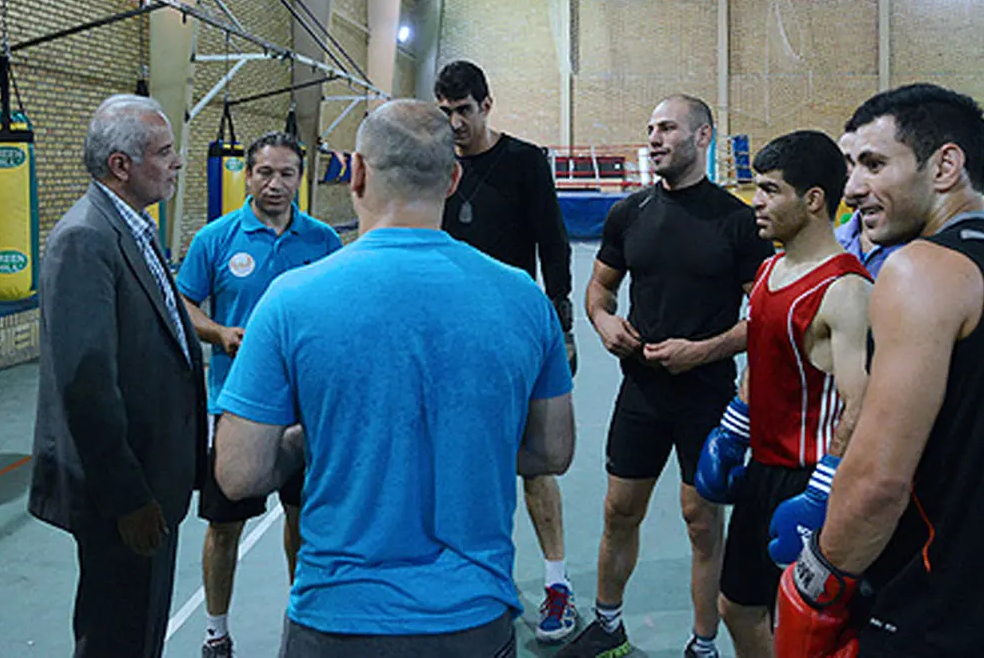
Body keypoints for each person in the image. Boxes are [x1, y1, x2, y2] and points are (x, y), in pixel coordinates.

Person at [212, 99, 575, 657]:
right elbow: (552, 450)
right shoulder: (524, 298)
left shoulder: (291, 300)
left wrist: (321, 436)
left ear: (356, 172)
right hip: (473, 617)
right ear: (453, 179)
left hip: (337, 619)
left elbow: (239, 473)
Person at [775, 84, 984, 657]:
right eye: (850, 167)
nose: (853, 188)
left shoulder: (921, 270)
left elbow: (879, 479)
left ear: (945, 166)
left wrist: (817, 581)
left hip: (930, 618)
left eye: (874, 164)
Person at [562, 94, 774, 658]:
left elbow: (763, 319)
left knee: (701, 523)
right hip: (643, 391)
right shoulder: (629, 213)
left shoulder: (736, 221)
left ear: (703, 136)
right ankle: (609, 626)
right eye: (651, 128)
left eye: (668, 129)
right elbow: (600, 288)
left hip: (705, 395)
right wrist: (604, 321)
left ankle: (702, 646)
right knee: (618, 510)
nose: (654, 138)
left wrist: (702, 351)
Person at [29, 94, 205, 658]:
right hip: (122, 493)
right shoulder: (86, 238)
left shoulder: (133, 227)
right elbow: (86, 384)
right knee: (117, 635)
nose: (176, 163)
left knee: (141, 627)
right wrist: (129, 497)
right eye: (164, 153)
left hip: (153, 476)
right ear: (120, 166)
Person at [704, 131, 871, 658]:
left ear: (814, 200)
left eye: (772, 190)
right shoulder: (768, 270)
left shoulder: (845, 289)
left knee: (807, 626)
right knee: (736, 606)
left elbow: (861, 403)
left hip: (813, 476)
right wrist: (733, 431)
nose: (758, 202)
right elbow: (760, 358)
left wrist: (824, 489)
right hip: (762, 469)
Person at [176, 130, 342, 658]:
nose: (275, 183)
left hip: (303, 410)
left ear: (300, 179)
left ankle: (300, 621)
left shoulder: (322, 241)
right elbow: (184, 303)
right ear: (247, 175)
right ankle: (216, 632)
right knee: (224, 526)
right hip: (237, 410)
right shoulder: (217, 239)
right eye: (265, 172)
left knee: (302, 523)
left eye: (286, 173)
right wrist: (219, 333)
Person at [434, 60, 579, 642]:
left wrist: (562, 326)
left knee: (536, 461)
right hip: (444, 335)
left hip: (512, 334)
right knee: (454, 460)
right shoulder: (433, 163)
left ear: (486, 105)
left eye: (463, 111)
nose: (454, 124)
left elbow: (555, 244)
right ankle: (474, 576)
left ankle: (556, 585)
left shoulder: (523, 161)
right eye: (444, 112)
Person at [835, 128, 899, 276]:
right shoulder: (832, 242)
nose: (852, 185)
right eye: (844, 163)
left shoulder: (930, 252)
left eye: (873, 164)